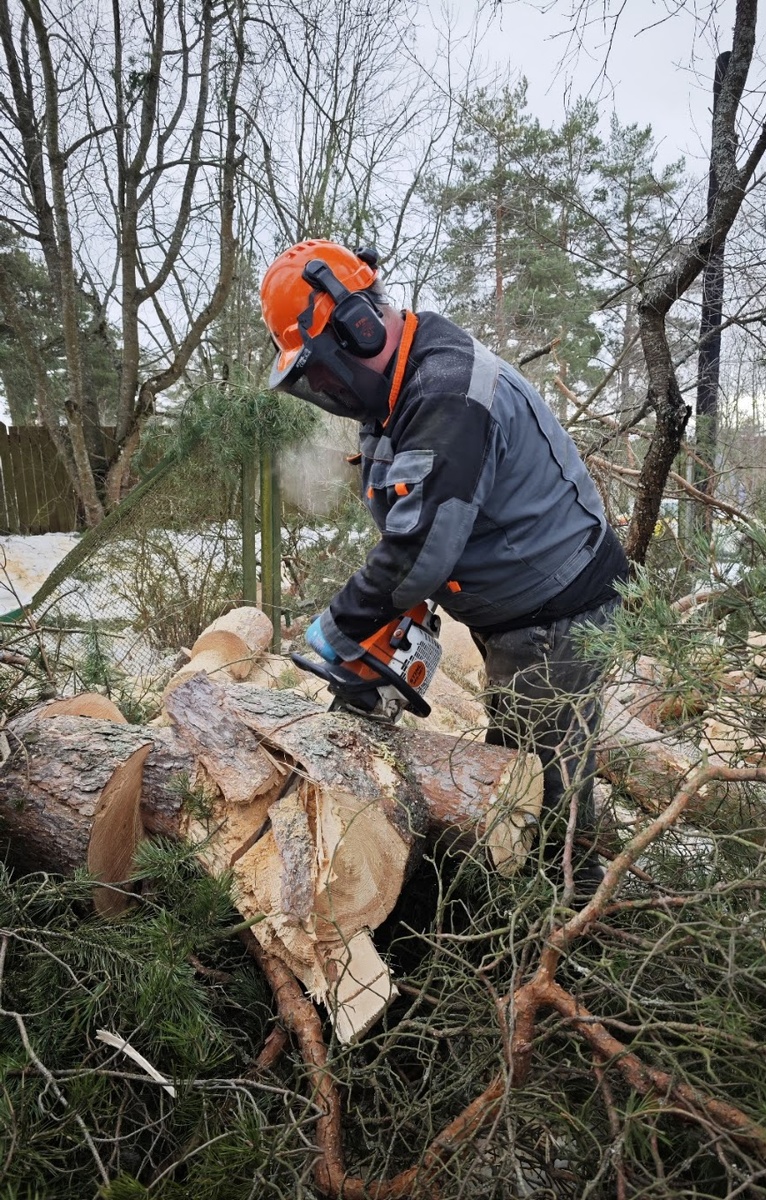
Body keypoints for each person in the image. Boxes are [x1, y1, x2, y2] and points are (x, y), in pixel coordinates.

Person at [260, 239, 628, 884]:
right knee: (538, 763)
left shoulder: (446, 393)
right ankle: (560, 880)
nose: (322, 388)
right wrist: (394, 621)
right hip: (520, 596)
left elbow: (420, 551)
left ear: (359, 326)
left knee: (534, 792)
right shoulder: (399, 386)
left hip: (559, 608)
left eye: (319, 370)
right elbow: (417, 516)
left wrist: (337, 629)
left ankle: (565, 928)